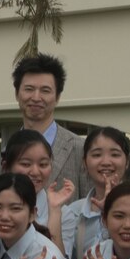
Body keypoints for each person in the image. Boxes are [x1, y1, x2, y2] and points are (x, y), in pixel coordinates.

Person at [56, 126, 130, 259]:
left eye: (115, 155)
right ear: (85, 163)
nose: (106, 162)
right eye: (97, 155)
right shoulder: (73, 212)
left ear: (127, 162)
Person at [11, 53, 86, 198]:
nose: (36, 97)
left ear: (57, 97)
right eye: (29, 89)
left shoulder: (79, 148)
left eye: (45, 91)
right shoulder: (9, 148)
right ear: (17, 93)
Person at [0, 129, 59, 242]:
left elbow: (59, 258)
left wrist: (55, 212)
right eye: (26, 164)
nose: (35, 172)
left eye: (43, 164)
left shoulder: (63, 213)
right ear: (6, 167)